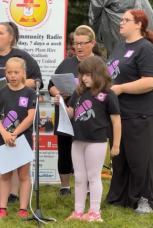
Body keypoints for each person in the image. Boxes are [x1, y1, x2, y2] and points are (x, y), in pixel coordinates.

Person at [0, 22, 43, 203]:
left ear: (11, 38)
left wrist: (13, 85)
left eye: (0, 33)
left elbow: (37, 82)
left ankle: (13, 194)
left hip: (17, 121)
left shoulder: (22, 56)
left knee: (16, 157)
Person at [105, 9, 153, 214]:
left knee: (140, 159)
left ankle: (144, 200)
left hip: (140, 112)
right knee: (120, 156)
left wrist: (120, 88)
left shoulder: (145, 48)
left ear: (138, 24)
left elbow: (150, 81)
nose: (121, 23)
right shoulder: (119, 47)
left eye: (125, 20)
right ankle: (120, 197)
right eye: (121, 20)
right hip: (119, 111)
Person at [55, 56, 121, 222]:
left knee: (93, 176)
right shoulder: (78, 93)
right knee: (79, 177)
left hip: (96, 141)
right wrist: (61, 104)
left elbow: (116, 122)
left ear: (98, 74)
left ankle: (94, 212)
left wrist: (115, 146)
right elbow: (71, 113)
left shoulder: (108, 95)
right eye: (82, 74)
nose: (84, 78)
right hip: (77, 140)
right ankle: (78, 211)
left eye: (88, 74)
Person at [48, 25, 103, 196]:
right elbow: (51, 85)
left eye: (82, 43)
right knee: (64, 150)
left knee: (87, 151)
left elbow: (107, 87)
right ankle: (65, 186)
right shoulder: (66, 63)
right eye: (75, 44)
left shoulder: (100, 64)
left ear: (92, 43)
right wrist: (58, 94)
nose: (78, 47)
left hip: (89, 115)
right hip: (66, 113)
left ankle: (87, 187)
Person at [0, 57, 36, 218]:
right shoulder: (0, 92)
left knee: (23, 175)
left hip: (22, 139)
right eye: (9, 72)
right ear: (5, 73)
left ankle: (23, 209)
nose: (13, 75)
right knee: (6, 175)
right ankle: (2, 208)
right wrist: (4, 133)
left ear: (23, 73)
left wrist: (15, 133)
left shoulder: (30, 93)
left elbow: (30, 117)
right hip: (3, 139)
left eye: (16, 72)